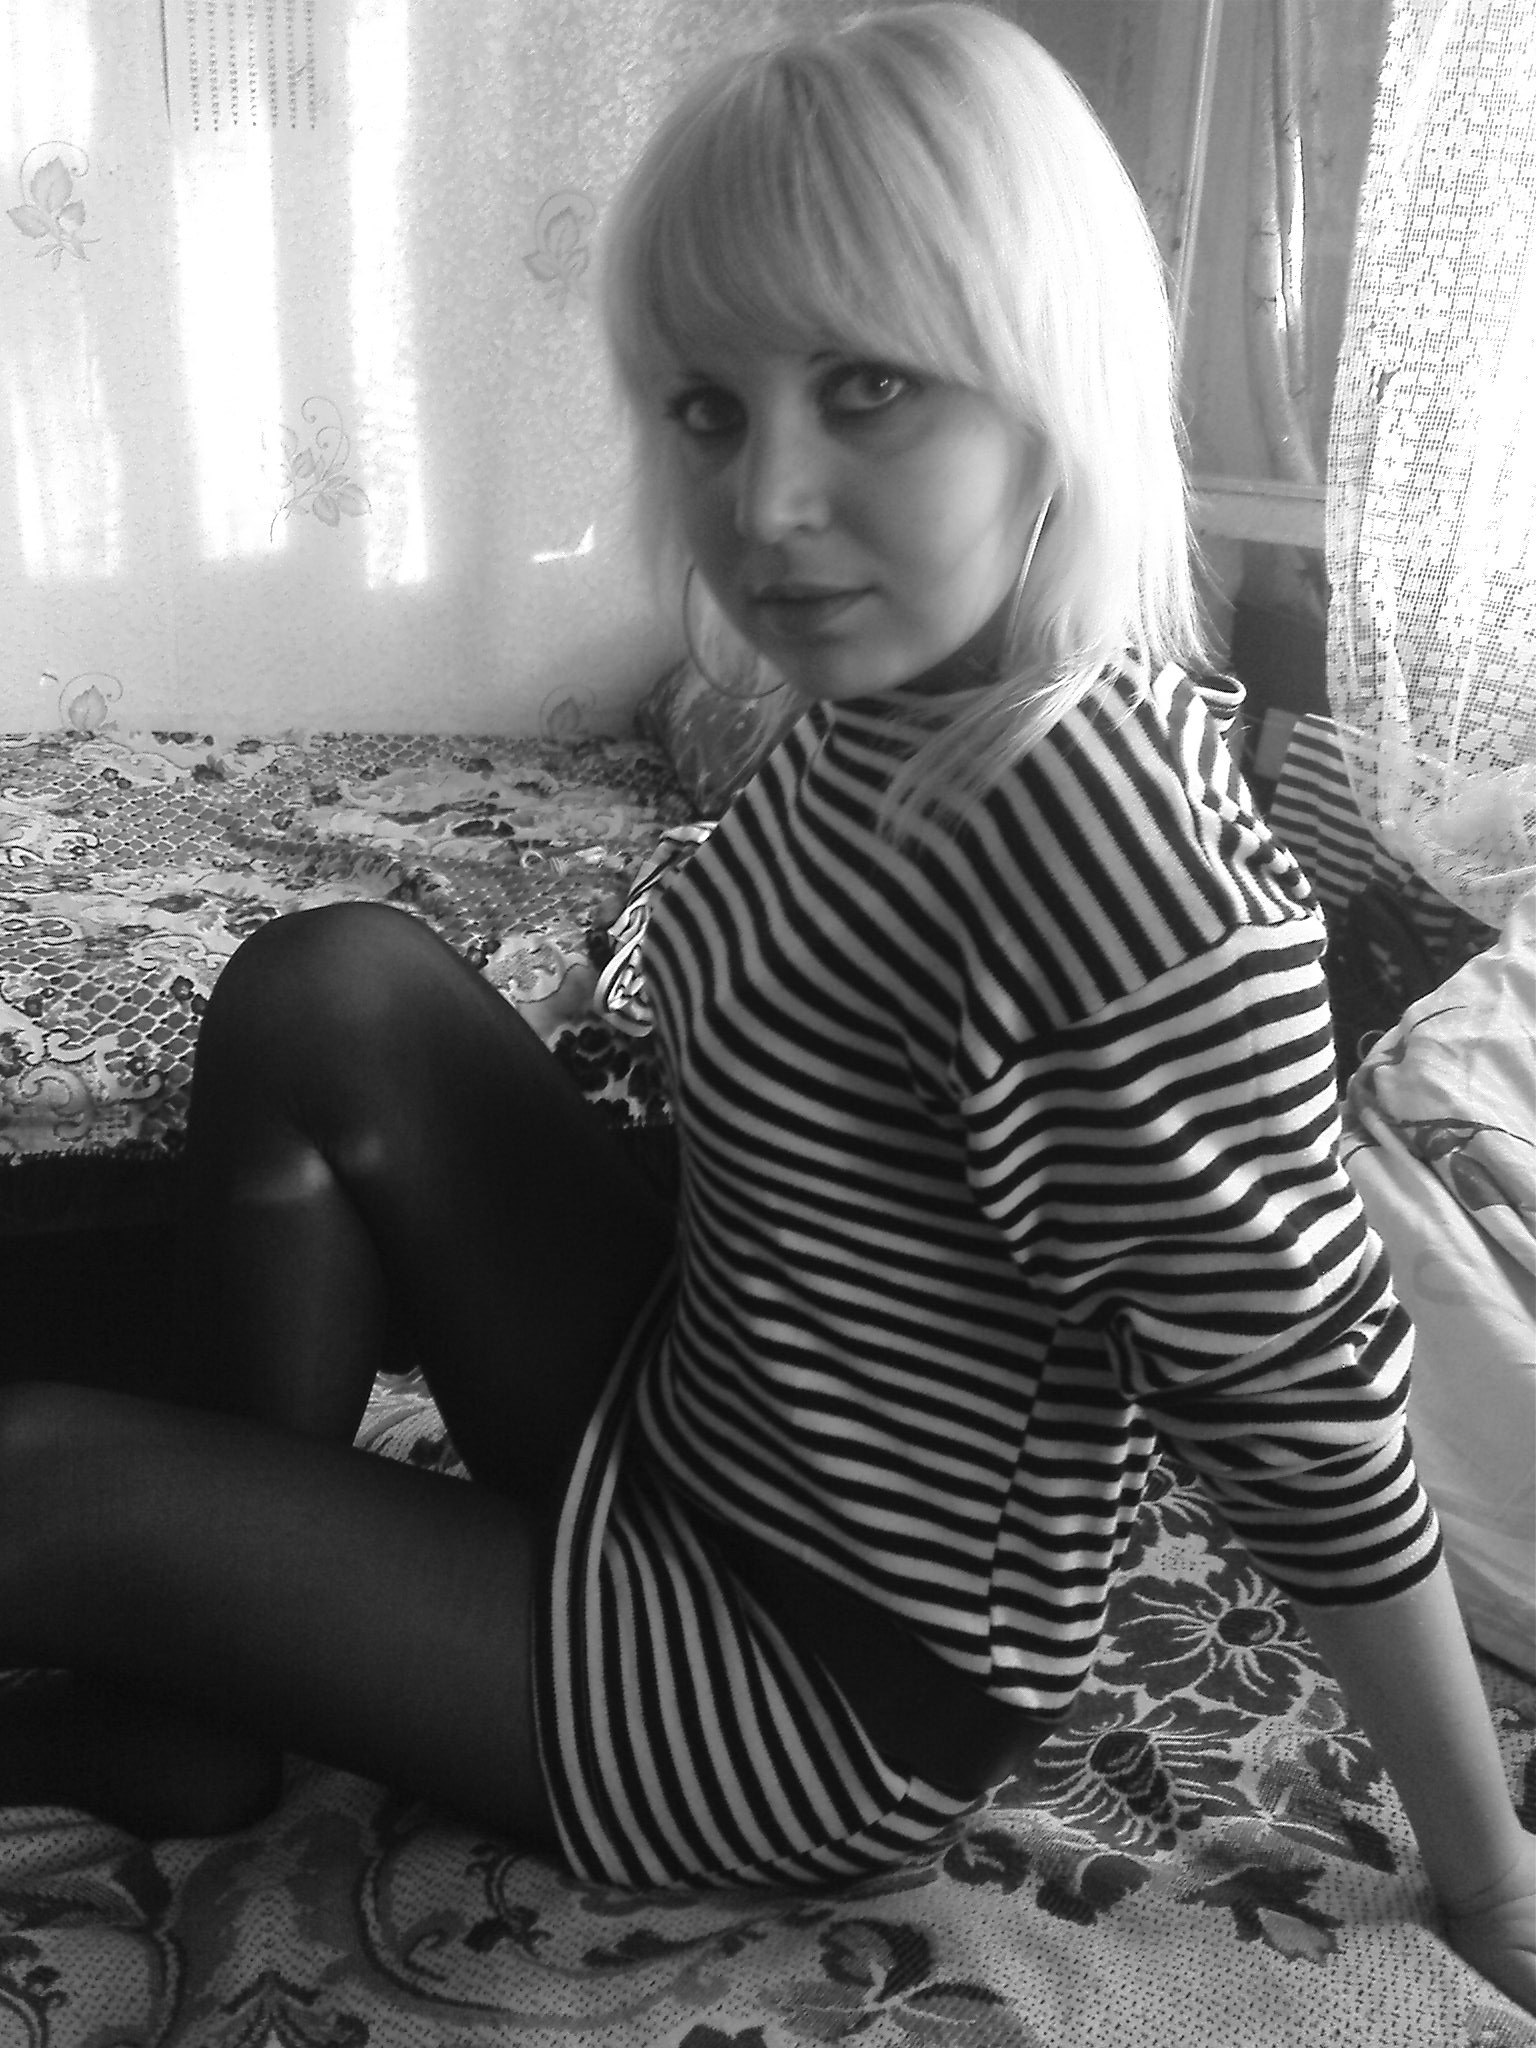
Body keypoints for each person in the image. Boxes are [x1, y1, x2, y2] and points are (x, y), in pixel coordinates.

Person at [1, 0, 1530, 2012]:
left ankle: (188, 1646)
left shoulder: (1114, 859)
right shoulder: (886, 702)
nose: (768, 497)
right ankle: (194, 1690)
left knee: (38, 1472)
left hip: (811, 1686)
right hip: (700, 1429)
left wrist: (1491, 1876)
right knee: (337, 983)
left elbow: (1306, 1412)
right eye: (711, 409)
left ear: (1050, 385)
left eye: (869, 386)